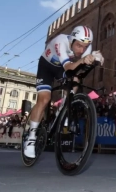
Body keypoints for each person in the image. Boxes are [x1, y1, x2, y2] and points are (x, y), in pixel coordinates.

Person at [24, 25, 104, 158]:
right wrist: (84, 59)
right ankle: (31, 139)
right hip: (47, 67)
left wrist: (95, 59)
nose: (82, 49)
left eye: (85, 46)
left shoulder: (86, 47)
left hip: (60, 67)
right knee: (44, 99)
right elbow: (68, 67)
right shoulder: (60, 41)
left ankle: (65, 107)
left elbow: (81, 69)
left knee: (76, 79)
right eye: (78, 45)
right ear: (72, 40)